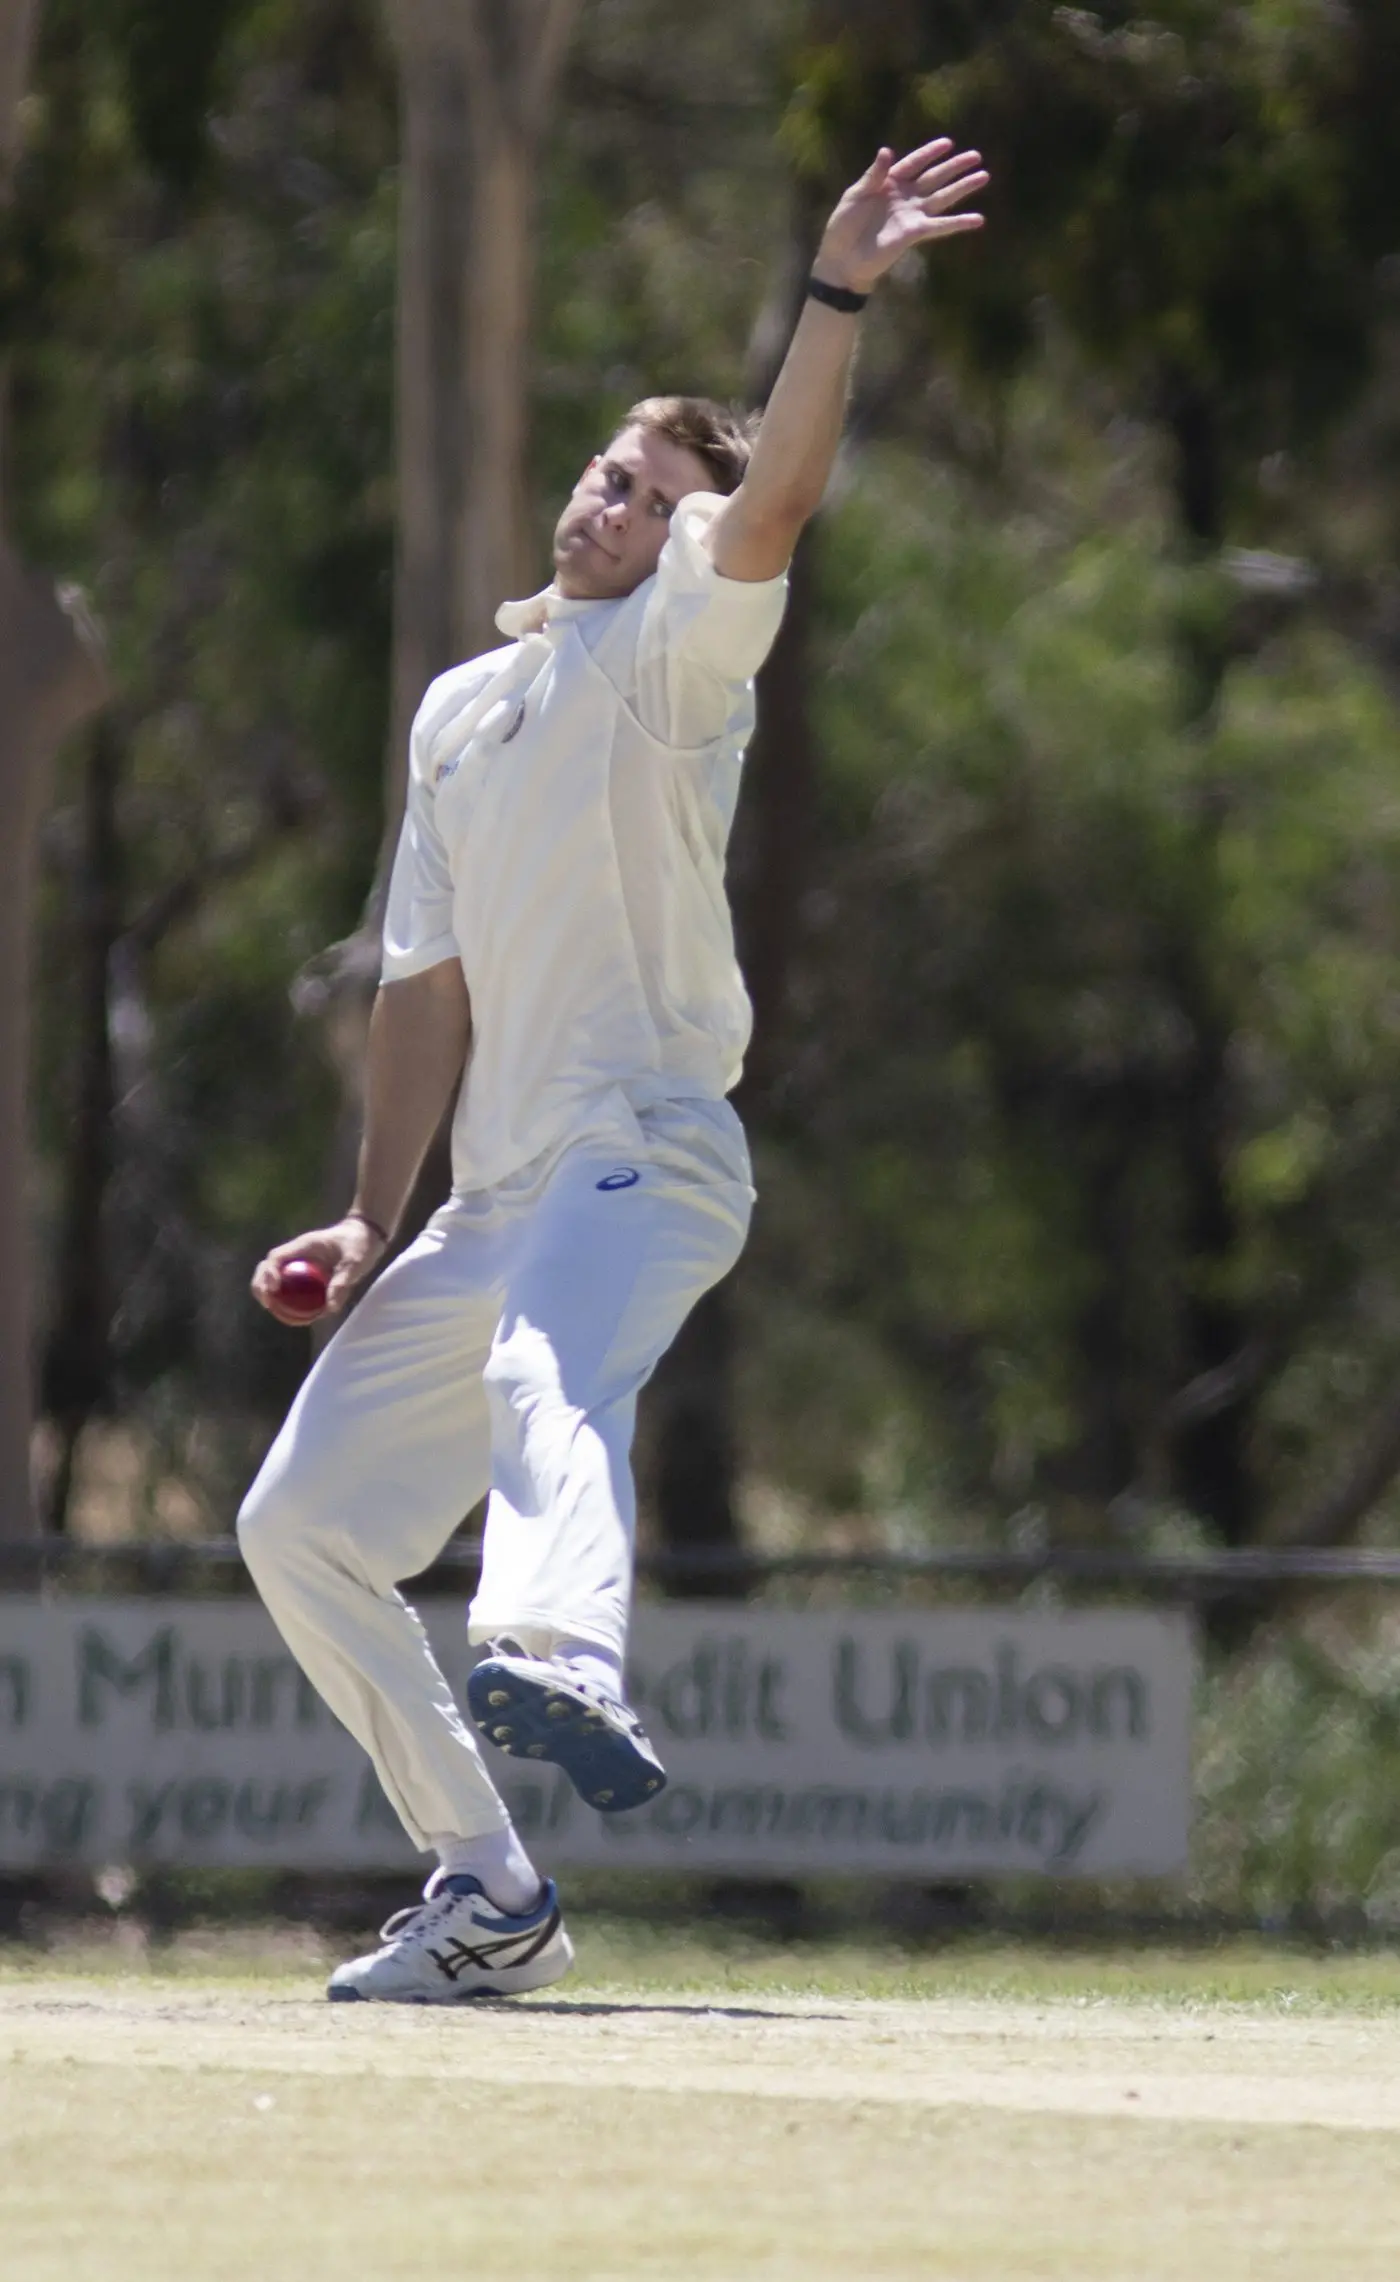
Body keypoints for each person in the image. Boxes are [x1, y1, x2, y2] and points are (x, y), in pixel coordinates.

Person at [236, 136, 988, 2003]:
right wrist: (365, 1210)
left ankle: (563, 1643)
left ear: (677, 546)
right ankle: (490, 1887)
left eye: (649, 492)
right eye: (607, 467)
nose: (609, 497)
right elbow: (425, 982)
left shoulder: (675, 663)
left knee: (539, 1367)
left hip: (648, 1150)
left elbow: (782, 501)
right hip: (494, 1196)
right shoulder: (463, 709)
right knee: (297, 1523)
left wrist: (833, 301)